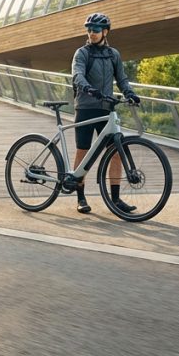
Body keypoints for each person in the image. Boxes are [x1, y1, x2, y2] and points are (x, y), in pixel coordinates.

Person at [71, 12, 141, 216]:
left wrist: (130, 93)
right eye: (89, 30)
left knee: (116, 152)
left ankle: (116, 199)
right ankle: (80, 197)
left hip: (106, 109)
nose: (91, 33)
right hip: (85, 108)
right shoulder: (82, 53)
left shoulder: (113, 55)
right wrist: (87, 88)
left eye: (96, 30)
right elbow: (77, 75)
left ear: (105, 32)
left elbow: (122, 78)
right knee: (83, 152)